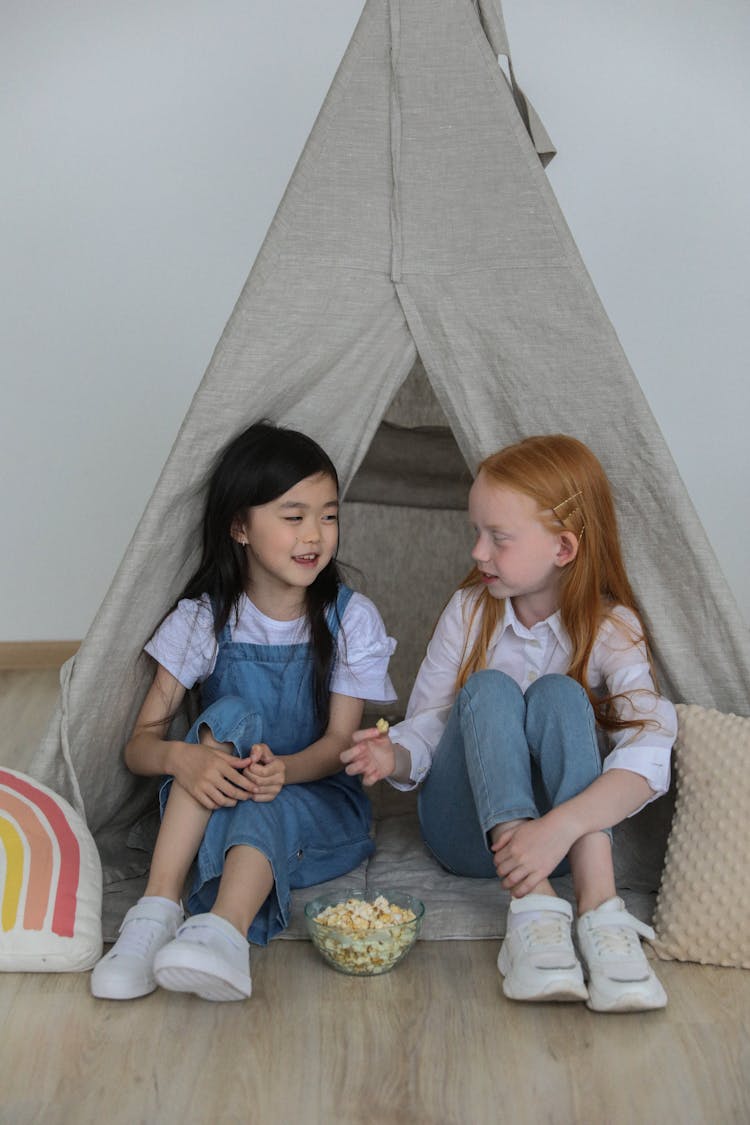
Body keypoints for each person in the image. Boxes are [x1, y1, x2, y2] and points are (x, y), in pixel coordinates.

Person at [342, 434, 675, 1012]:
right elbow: (427, 725)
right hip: (468, 835)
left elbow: (648, 755)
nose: (478, 552)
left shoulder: (613, 627)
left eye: (498, 538)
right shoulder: (470, 610)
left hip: (560, 842)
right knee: (490, 688)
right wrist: (391, 754)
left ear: (564, 548)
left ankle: (600, 911)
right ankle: (534, 910)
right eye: (477, 533)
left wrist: (557, 828)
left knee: (561, 697)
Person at [91, 422, 396, 1002]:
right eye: (293, 516)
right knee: (226, 715)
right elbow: (140, 745)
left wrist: (283, 771)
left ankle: (224, 936)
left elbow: (338, 743)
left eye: (328, 516)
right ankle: (155, 912)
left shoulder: (349, 619)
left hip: (317, 802)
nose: (314, 535)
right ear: (239, 526)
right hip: (219, 795)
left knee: (265, 805)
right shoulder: (204, 619)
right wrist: (184, 759)